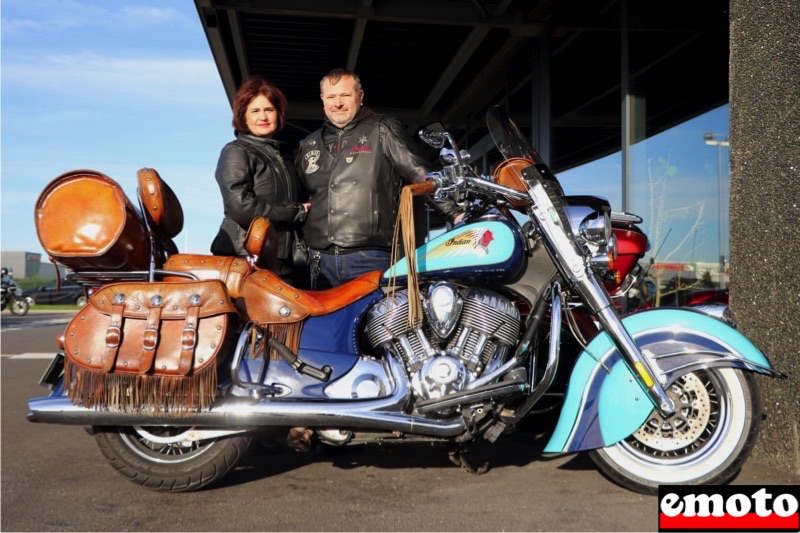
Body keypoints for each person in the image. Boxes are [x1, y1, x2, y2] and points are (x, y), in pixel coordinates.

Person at [295, 68, 462, 287]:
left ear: (360, 97)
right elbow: (292, 197)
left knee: (381, 322)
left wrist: (454, 213)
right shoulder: (307, 144)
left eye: (345, 95)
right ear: (322, 100)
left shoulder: (383, 128)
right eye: (331, 96)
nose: (338, 103)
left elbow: (420, 174)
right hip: (317, 261)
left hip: (369, 258)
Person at [211, 76, 309, 282]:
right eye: (255, 111)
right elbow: (241, 206)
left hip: (284, 259)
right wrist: (296, 212)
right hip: (246, 258)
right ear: (243, 117)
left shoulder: (286, 155)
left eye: (269, 110)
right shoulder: (236, 151)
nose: (263, 117)